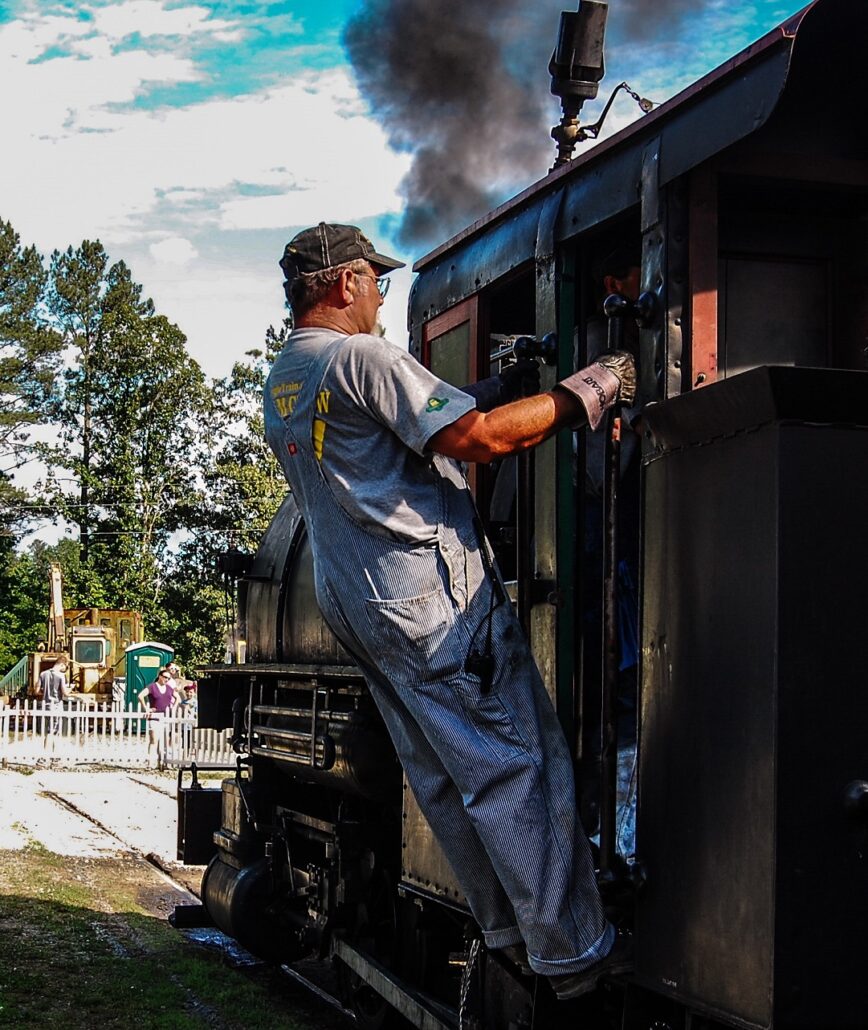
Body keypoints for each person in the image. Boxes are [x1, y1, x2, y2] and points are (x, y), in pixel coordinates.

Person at [263, 222, 636, 999]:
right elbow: (481, 440)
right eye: (375, 281)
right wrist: (594, 387)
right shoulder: (362, 357)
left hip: (357, 602)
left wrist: (501, 387)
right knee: (517, 767)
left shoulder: (287, 375)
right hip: (431, 604)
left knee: (442, 776)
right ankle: (575, 960)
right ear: (344, 283)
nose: (378, 297)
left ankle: (507, 933)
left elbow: (398, 441)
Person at [137, 667, 177, 768]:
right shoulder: (152, 687)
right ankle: (150, 763)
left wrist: (174, 708)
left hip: (165, 716)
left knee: (164, 741)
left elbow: (178, 698)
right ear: (160, 676)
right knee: (154, 740)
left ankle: (162, 763)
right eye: (165, 677)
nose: (166, 680)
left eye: (168, 678)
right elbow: (140, 696)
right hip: (154, 716)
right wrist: (146, 708)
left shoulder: (169, 688)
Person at [37, 660, 69, 764]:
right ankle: (45, 757)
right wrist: (70, 690)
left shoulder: (43, 674)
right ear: (62, 664)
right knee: (52, 732)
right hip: (56, 706)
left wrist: (45, 692)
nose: (65, 669)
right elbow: (65, 692)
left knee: (52, 731)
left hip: (45, 706)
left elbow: (36, 690)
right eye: (65, 666)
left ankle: (56, 757)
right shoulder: (61, 676)